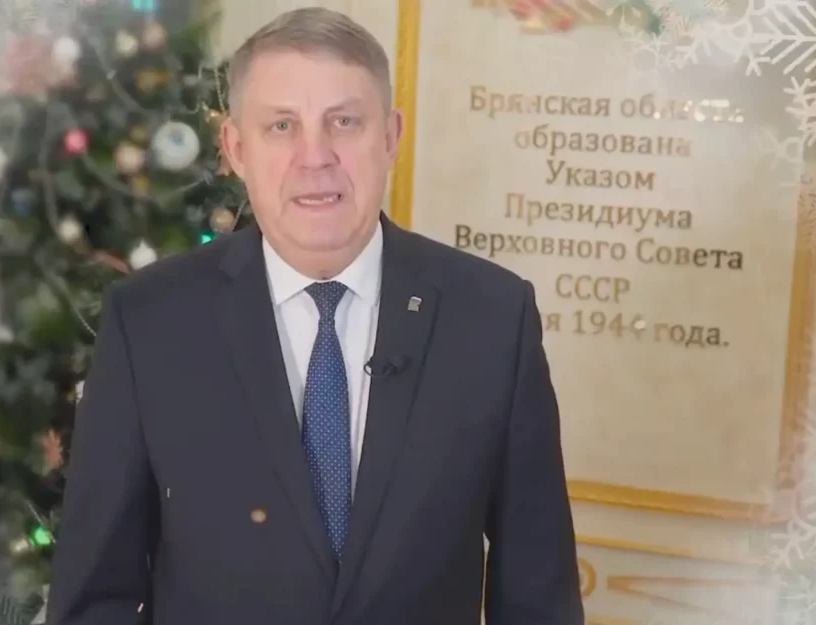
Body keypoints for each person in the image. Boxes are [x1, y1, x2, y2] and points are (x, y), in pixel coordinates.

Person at [46, 7, 584, 625]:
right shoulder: (149, 322)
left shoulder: (493, 318)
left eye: (344, 122)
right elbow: (95, 600)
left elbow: (539, 599)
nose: (315, 156)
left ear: (390, 136)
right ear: (236, 148)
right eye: (282, 126)